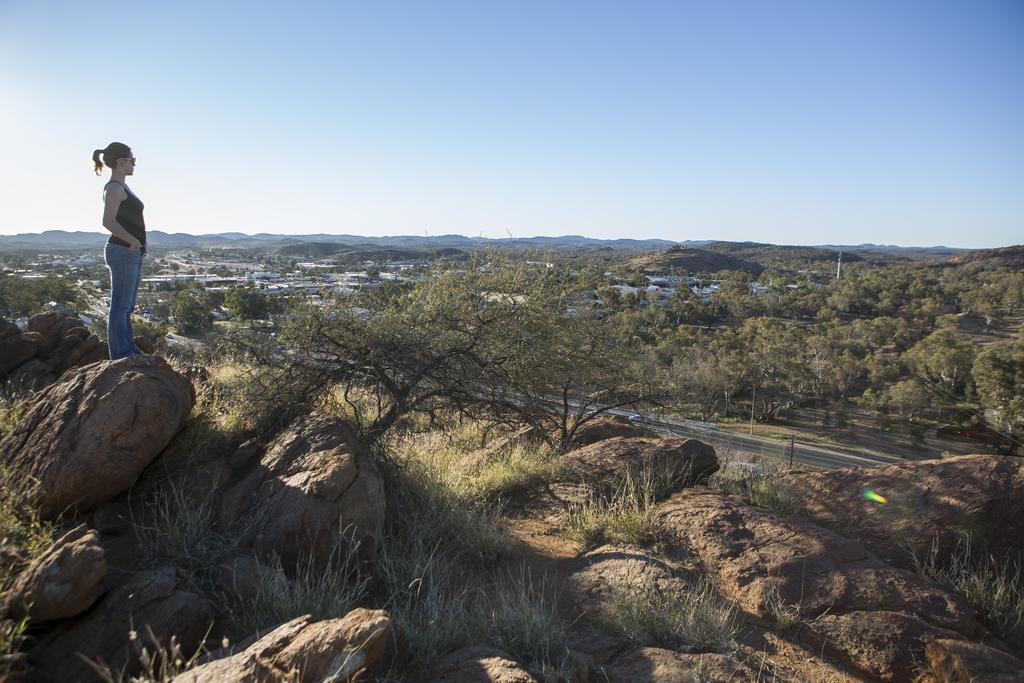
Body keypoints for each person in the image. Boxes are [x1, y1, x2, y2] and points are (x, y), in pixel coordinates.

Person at [92, 142, 147, 359]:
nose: (134, 164)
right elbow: (108, 221)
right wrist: (133, 241)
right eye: (132, 160)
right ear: (121, 162)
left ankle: (128, 349)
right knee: (120, 306)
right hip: (123, 251)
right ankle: (121, 353)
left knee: (127, 306)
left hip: (130, 251)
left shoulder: (121, 186)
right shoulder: (114, 187)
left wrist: (137, 245)